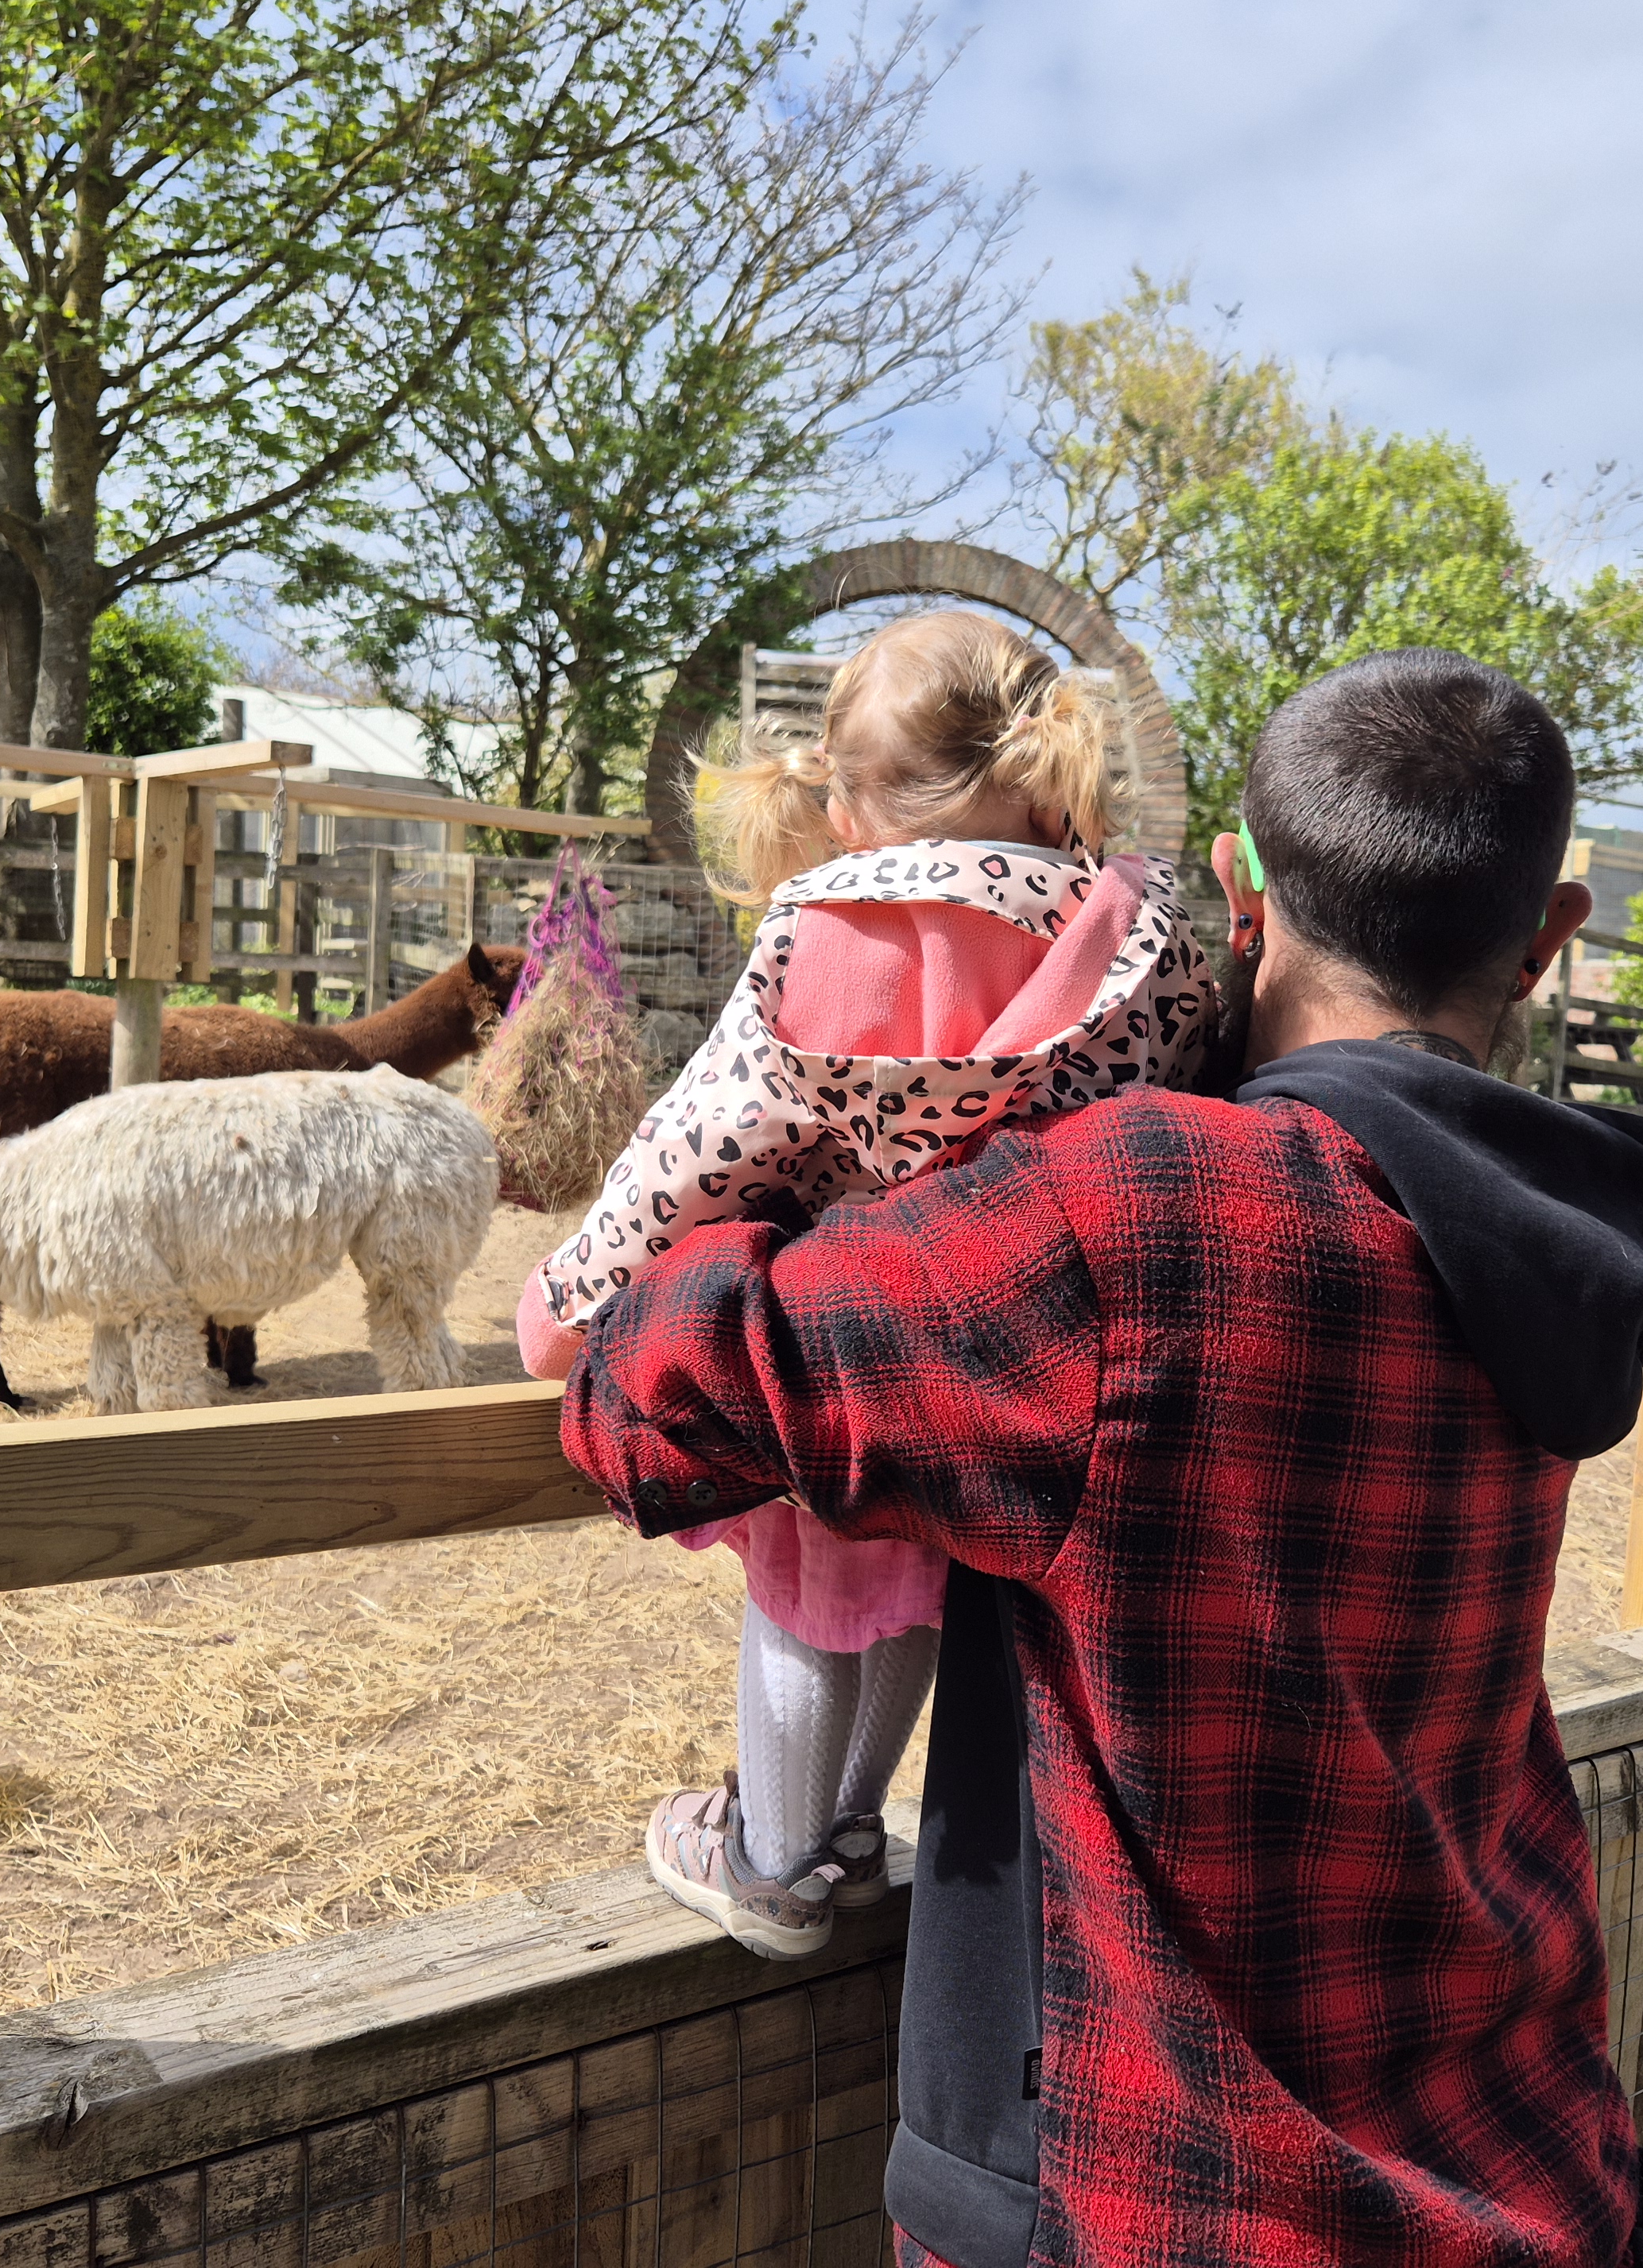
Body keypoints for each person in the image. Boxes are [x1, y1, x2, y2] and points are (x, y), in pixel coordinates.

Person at [558, 649, 1643, 2268]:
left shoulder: (1131, 1217)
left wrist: (816, 1188)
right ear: (1549, 938)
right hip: (1515, 2154)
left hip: (1150, 2194)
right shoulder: (1559, 1244)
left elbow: (652, 1403)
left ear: (1239, 887)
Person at [515, 607, 1217, 1961]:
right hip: (1020, 1357)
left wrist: (564, 1303)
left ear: (843, 805)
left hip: (841, 1331)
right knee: (911, 1579)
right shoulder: (1146, 943)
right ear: (1043, 769)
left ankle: (772, 1863)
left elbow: (703, 1142)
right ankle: (847, 1827)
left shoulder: (832, 929)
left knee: (800, 1585)